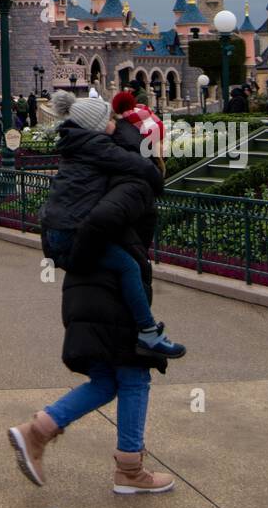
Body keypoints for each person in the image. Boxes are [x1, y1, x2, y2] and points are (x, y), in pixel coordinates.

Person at [40, 92, 184, 358]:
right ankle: (148, 332)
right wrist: (156, 176)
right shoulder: (97, 146)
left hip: (57, 229)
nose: (114, 123)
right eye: (108, 119)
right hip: (70, 233)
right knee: (128, 266)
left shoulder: (77, 144)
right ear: (96, 126)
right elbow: (133, 163)